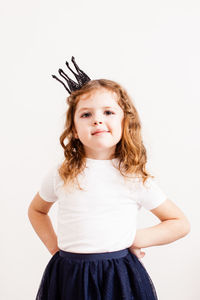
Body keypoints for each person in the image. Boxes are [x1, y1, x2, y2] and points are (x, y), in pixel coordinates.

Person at [28, 57, 190, 300]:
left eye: (108, 112)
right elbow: (37, 211)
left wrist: (131, 237)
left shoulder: (133, 176)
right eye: (86, 114)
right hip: (68, 275)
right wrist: (55, 248)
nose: (97, 119)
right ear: (73, 128)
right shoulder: (61, 173)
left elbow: (179, 223)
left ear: (125, 122)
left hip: (118, 277)